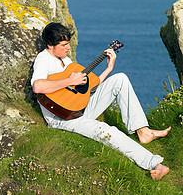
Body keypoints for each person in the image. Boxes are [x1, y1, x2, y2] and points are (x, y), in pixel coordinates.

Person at [31, 22, 170, 180]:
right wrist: (69, 81)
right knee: (107, 130)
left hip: (78, 107)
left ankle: (143, 131)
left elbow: (90, 87)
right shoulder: (43, 60)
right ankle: (154, 164)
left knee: (120, 78)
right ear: (50, 45)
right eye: (64, 45)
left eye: (68, 44)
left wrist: (108, 69)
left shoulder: (66, 61)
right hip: (62, 118)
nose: (68, 48)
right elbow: (37, 86)